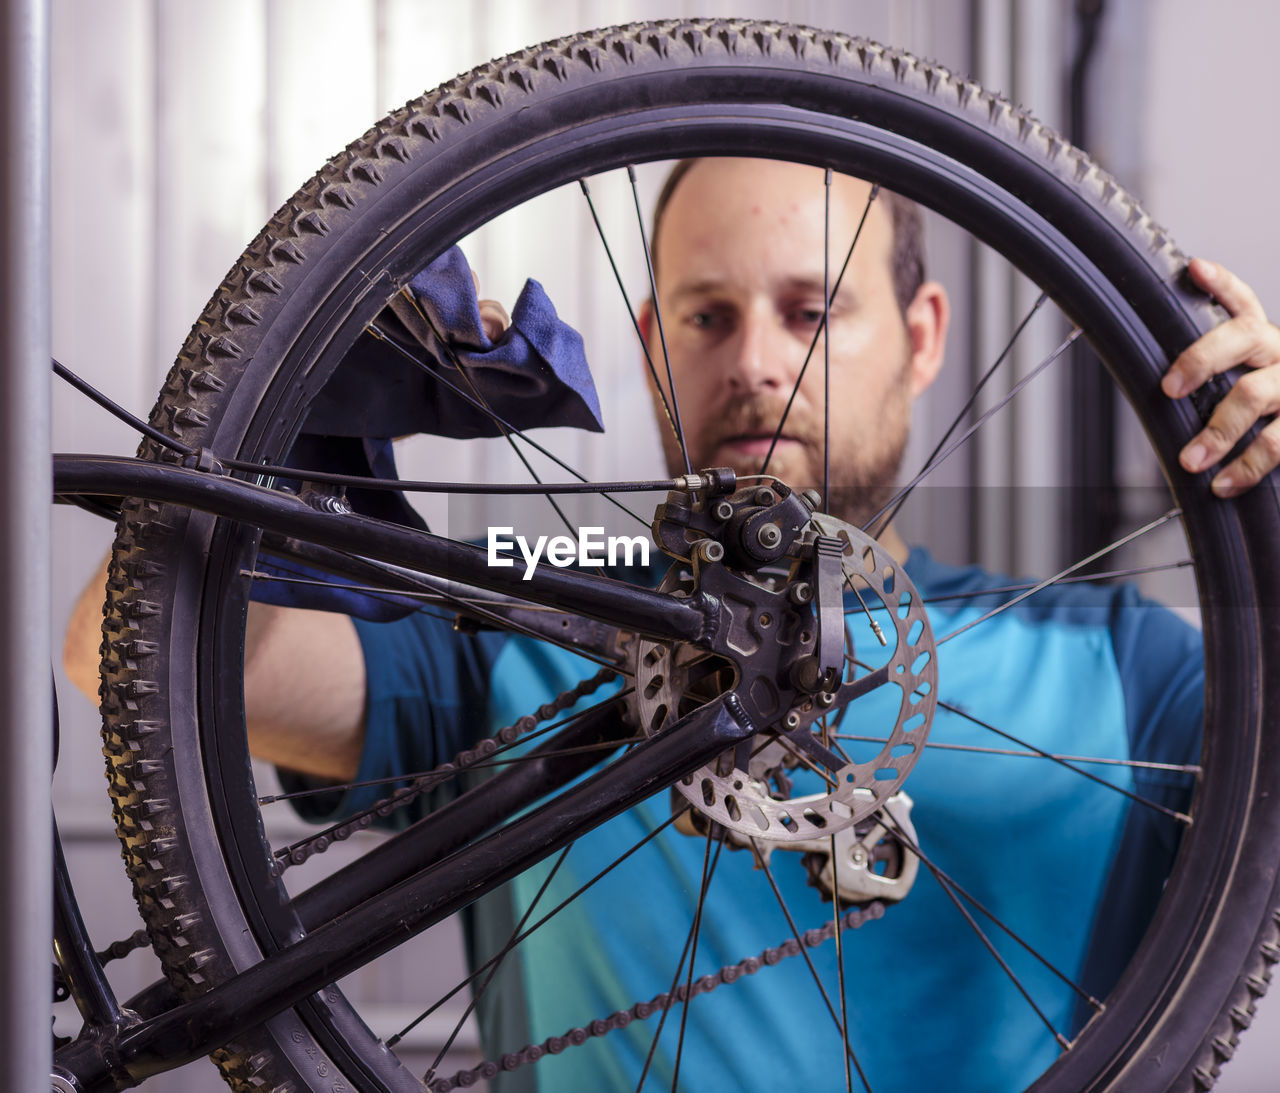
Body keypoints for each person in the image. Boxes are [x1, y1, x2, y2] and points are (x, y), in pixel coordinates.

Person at [63, 157, 1280, 1092]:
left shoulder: (1134, 671)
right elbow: (118, 658)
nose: (757, 363)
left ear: (919, 339)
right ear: (651, 352)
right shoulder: (535, 612)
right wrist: (295, 411)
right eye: (705, 316)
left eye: (810, 312)